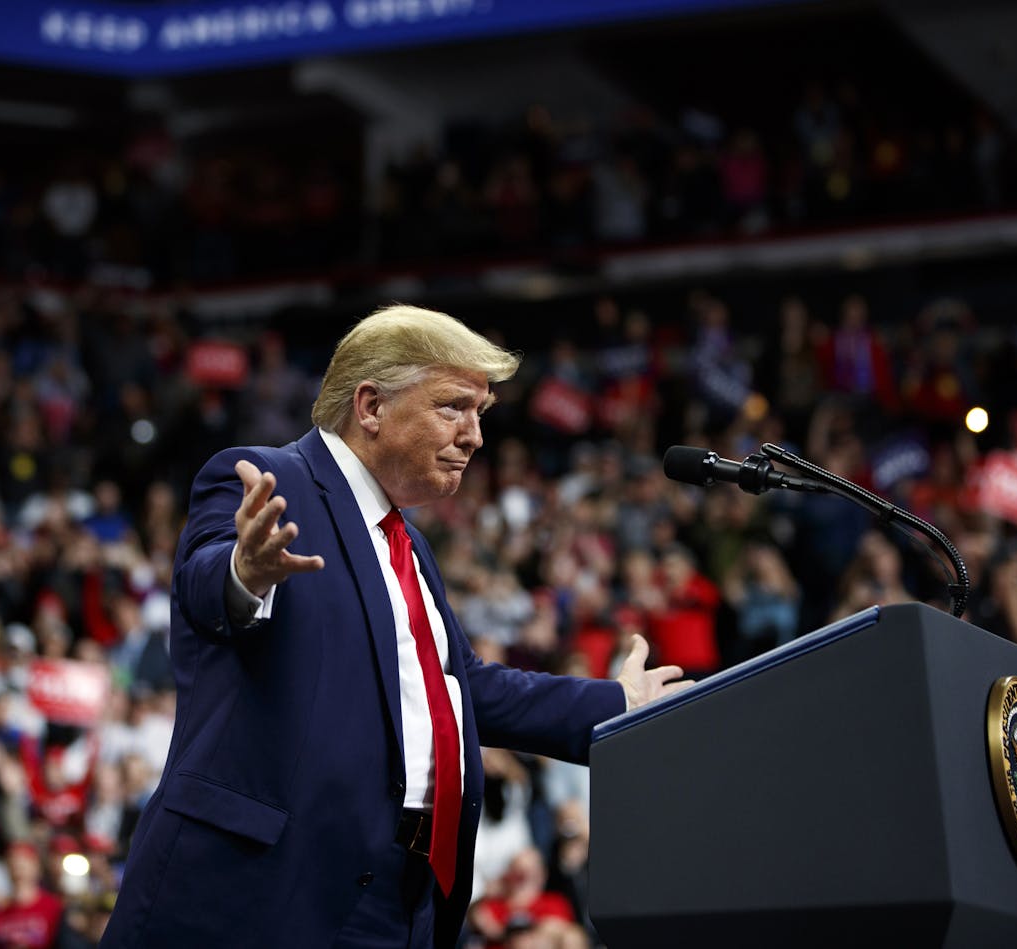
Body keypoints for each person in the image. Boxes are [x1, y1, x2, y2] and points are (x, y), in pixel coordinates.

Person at [102, 306, 687, 947]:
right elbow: (205, 584)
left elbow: (459, 691)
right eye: (453, 408)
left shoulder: (405, 542)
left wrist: (621, 706)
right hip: (266, 890)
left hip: (402, 897)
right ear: (372, 406)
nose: (474, 437)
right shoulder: (265, 479)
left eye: (481, 414)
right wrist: (247, 569)